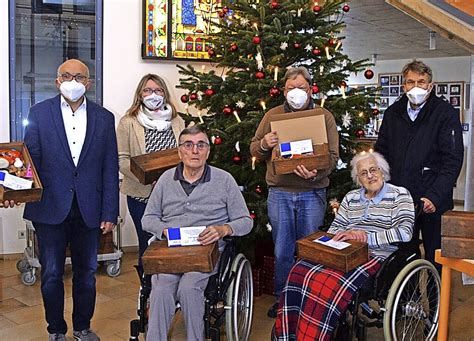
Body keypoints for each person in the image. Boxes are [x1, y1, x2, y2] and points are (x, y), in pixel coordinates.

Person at [20, 59, 119, 341]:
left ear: (88, 83)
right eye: (66, 75)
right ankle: (56, 330)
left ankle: (82, 327)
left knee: (86, 274)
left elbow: (109, 168)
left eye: (79, 76)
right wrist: (15, 187)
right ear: (57, 80)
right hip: (49, 209)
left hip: (90, 209)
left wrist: (110, 212)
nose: (72, 81)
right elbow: (30, 162)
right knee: (51, 273)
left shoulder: (104, 118)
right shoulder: (38, 113)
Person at [274, 151, 415, 340]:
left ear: (382, 171)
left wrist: (365, 237)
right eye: (363, 173)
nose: (370, 175)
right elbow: (334, 229)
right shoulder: (351, 197)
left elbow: (405, 233)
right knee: (299, 271)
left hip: (375, 255)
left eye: (373, 170)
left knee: (327, 282)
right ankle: (289, 333)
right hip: (342, 253)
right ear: (358, 178)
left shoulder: (400, 195)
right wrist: (331, 239)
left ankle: (317, 334)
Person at [141, 125, 253, 341]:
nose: (195, 151)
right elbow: (148, 219)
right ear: (179, 151)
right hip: (171, 250)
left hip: (206, 252)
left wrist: (223, 229)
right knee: (162, 288)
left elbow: (245, 221)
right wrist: (163, 230)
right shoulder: (165, 180)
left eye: (201, 145)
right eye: (188, 145)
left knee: (190, 288)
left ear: (208, 151)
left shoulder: (224, 180)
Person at [249, 66, 339, 317]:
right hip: (280, 192)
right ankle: (284, 299)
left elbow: (332, 156)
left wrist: (317, 175)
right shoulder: (272, 116)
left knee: (311, 249)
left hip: (313, 192)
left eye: (301, 88)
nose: (296, 93)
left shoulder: (324, 116)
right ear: (283, 90)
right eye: (291, 88)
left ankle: (311, 299)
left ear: (310, 89)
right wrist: (265, 144)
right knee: (282, 250)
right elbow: (255, 149)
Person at [375, 60, 464, 270]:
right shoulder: (393, 113)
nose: (416, 87)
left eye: (421, 82)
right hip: (400, 201)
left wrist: (434, 196)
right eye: (410, 82)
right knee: (403, 256)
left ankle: (436, 302)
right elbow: (382, 153)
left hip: (433, 200)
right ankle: (406, 302)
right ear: (403, 85)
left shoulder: (445, 114)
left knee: (436, 259)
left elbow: (452, 160)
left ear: (430, 85)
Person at [116, 73, 184, 276]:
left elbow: (184, 154)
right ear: (140, 94)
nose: (153, 94)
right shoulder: (128, 122)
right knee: (147, 245)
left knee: (172, 244)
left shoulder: (177, 120)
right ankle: (148, 291)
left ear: (165, 93)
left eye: (158, 90)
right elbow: (121, 159)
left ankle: (170, 289)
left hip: (174, 195)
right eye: (148, 90)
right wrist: (148, 178)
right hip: (141, 195)